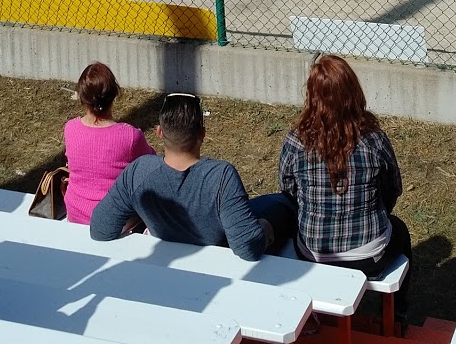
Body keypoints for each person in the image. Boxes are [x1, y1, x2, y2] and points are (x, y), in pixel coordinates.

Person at [277, 54, 412, 326]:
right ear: (354, 92)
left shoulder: (295, 140)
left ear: (312, 96)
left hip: (312, 251)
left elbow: (287, 190)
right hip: (368, 255)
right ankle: (397, 316)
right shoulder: (374, 139)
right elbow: (392, 188)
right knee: (400, 232)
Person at [90, 92, 267, 260]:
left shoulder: (139, 171)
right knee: (277, 205)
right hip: (211, 270)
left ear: (159, 132)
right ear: (202, 134)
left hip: (161, 268)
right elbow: (248, 248)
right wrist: (267, 228)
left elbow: (100, 229)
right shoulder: (221, 177)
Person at [63, 62, 153, 225]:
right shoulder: (130, 136)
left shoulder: (70, 128)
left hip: (75, 213)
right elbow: (151, 164)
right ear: (114, 94)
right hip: (115, 221)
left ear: (82, 96)